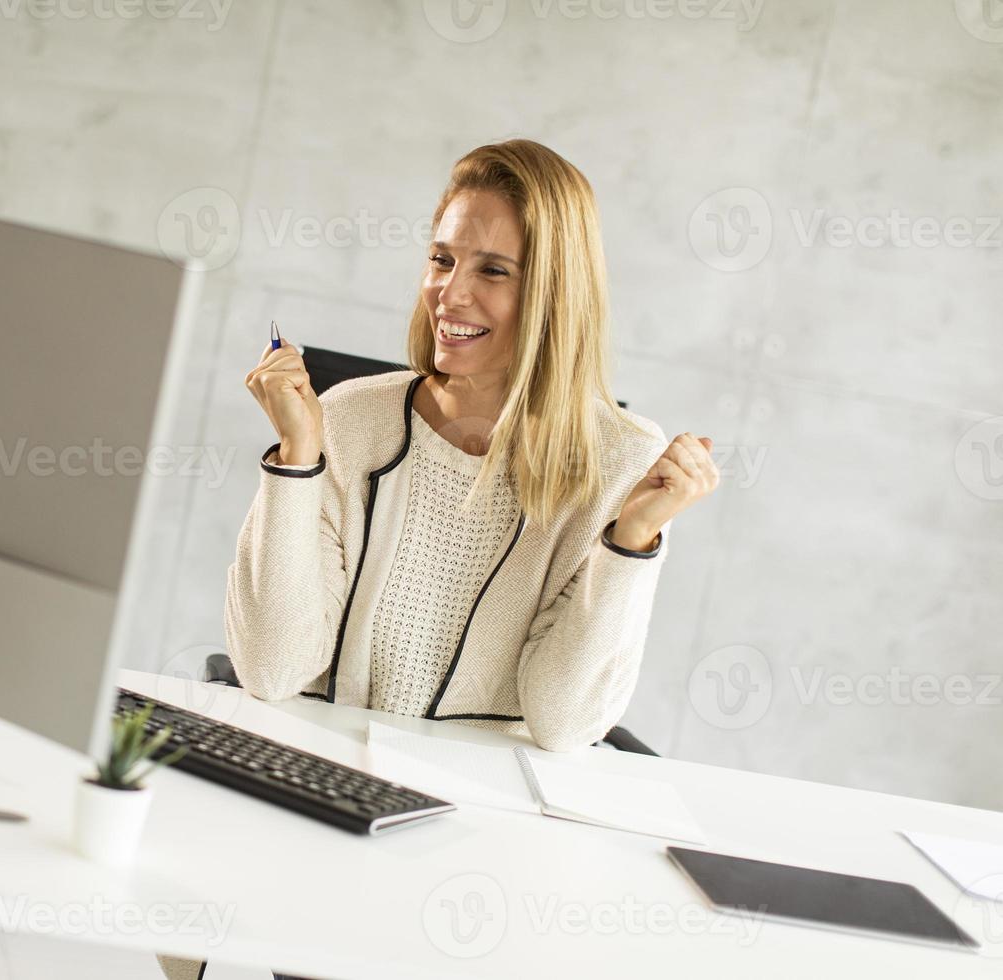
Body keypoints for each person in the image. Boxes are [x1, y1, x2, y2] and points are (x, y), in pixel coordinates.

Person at [156, 137, 719, 980]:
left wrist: (628, 541)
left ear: (554, 293)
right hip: (325, 800)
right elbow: (272, 669)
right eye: (441, 257)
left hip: (477, 841)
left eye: (493, 270)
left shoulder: (621, 463)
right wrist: (299, 461)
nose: (450, 293)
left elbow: (565, 722)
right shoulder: (349, 418)